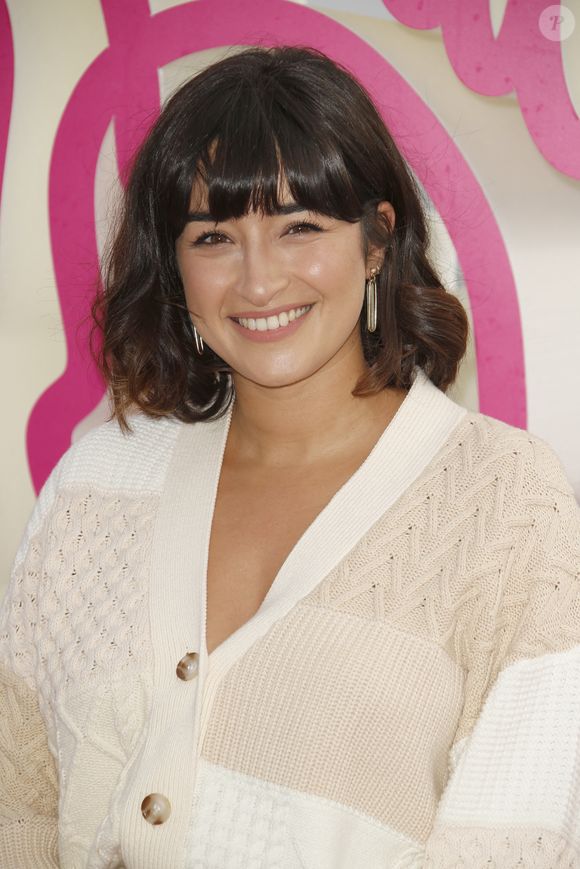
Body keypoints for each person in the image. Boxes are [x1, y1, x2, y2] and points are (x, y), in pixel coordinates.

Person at [1, 44, 579, 869]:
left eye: (300, 227)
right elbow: (17, 795)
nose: (259, 280)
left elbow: (520, 838)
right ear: (174, 266)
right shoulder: (96, 488)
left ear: (377, 241)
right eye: (214, 236)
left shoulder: (509, 501)